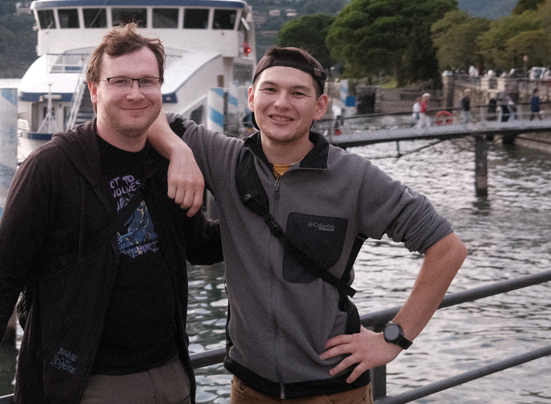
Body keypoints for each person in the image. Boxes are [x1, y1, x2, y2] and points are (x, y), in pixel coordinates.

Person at [149, 46, 467, 404]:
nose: (281, 103)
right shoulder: (225, 160)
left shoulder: (353, 178)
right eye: (270, 90)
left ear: (319, 107)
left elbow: (447, 248)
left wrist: (393, 338)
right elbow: (152, 115)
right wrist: (179, 153)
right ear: (252, 98)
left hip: (331, 391)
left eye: (298, 93)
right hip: (248, 388)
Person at [0, 24, 222, 404]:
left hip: (172, 376)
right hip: (85, 383)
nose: (135, 93)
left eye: (147, 81)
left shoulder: (164, 164)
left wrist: (257, 213)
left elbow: (198, 245)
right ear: (95, 91)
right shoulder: (51, 168)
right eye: (121, 81)